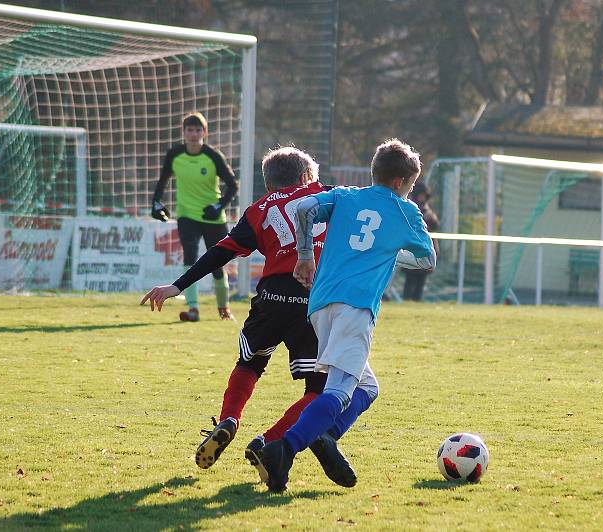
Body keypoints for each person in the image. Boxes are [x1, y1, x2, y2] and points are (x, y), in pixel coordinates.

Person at [141, 147, 357, 488]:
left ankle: (229, 418)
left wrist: (176, 285)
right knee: (318, 388)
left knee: (250, 364)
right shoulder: (329, 195)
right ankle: (270, 442)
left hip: (271, 297)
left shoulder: (260, 209)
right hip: (315, 298)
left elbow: (220, 253)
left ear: (269, 184)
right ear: (306, 177)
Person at [259, 139, 436, 492]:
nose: (409, 192)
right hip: (355, 308)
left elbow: (305, 207)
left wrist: (305, 254)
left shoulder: (344, 195)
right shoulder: (406, 211)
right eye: (411, 187)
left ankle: (326, 434)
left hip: (320, 305)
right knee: (339, 391)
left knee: (367, 387)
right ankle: (283, 450)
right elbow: (427, 260)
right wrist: (386, 254)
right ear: (401, 183)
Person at [151, 112, 238, 322]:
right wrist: (155, 203)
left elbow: (232, 185)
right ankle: (193, 309)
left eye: (198, 130)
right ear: (184, 132)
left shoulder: (213, 156)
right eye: (189, 130)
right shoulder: (174, 154)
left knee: (217, 263)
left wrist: (218, 207)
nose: (193, 134)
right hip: (187, 215)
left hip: (213, 218)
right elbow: (162, 181)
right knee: (189, 253)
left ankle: (223, 308)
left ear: (205, 132)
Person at [402, 181, 439, 301]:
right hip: (413, 248)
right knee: (410, 279)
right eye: (420, 194)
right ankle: (407, 301)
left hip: (425, 248)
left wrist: (430, 218)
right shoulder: (412, 208)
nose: (422, 197)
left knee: (421, 281)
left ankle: (416, 301)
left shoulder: (428, 210)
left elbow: (435, 226)